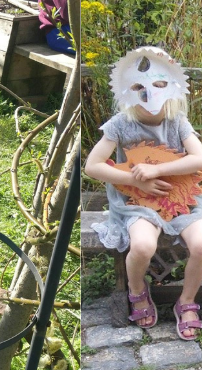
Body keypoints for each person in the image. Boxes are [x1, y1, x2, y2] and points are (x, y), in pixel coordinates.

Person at [86, 46, 202, 340]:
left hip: (180, 202)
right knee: (141, 247)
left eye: (158, 84)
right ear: (126, 91)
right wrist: (137, 181)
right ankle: (137, 290)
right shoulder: (121, 125)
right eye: (138, 86)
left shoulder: (177, 122)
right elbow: (93, 166)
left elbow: (199, 158)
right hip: (139, 203)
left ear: (171, 87)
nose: (148, 94)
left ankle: (186, 300)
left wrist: (157, 171)